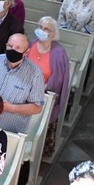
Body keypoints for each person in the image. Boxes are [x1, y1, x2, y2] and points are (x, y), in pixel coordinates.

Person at [0, 33, 45, 134]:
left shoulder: (35, 73)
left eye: (18, 48)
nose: (13, 50)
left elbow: (37, 107)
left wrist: (11, 108)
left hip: (9, 131)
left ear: (26, 51)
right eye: (10, 46)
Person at [28, 17, 70, 156]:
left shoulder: (59, 52)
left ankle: (39, 152)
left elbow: (58, 79)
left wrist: (41, 87)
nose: (41, 30)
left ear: (53, 34)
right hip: (24, 90)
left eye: (46, 29)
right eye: (40, 27)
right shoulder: (31, 44)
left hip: (45, 94)